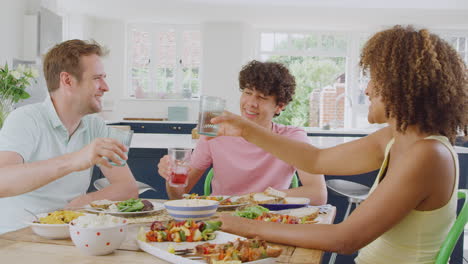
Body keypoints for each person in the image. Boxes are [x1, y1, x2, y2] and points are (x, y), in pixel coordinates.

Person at [214, 25, 467, 263]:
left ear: (401, 86)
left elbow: (345, 239)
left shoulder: (429, 154)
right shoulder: (393, 137)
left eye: (374, 79)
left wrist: (246, 226)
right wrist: (247, 130)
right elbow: (315, 160)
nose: (366, 90)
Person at [0, 40, 139, 234]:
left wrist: (85, 202)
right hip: (19, 237)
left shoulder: (95, 125)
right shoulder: (25, 119)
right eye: (97, 78)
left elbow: (127, 188)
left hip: (71, 233)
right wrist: (74, 160)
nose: (106, 87)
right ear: (67, 81)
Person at [158, 60, 327, 204]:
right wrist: (172, 177)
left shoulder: (292, 137)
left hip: (268, 218)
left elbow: (318, 194)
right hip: (222, 219)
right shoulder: (215, 131)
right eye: (247, 93)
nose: (251, 103)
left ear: (279, 106)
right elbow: (177, 196)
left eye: (262, 97)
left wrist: (249, 199)